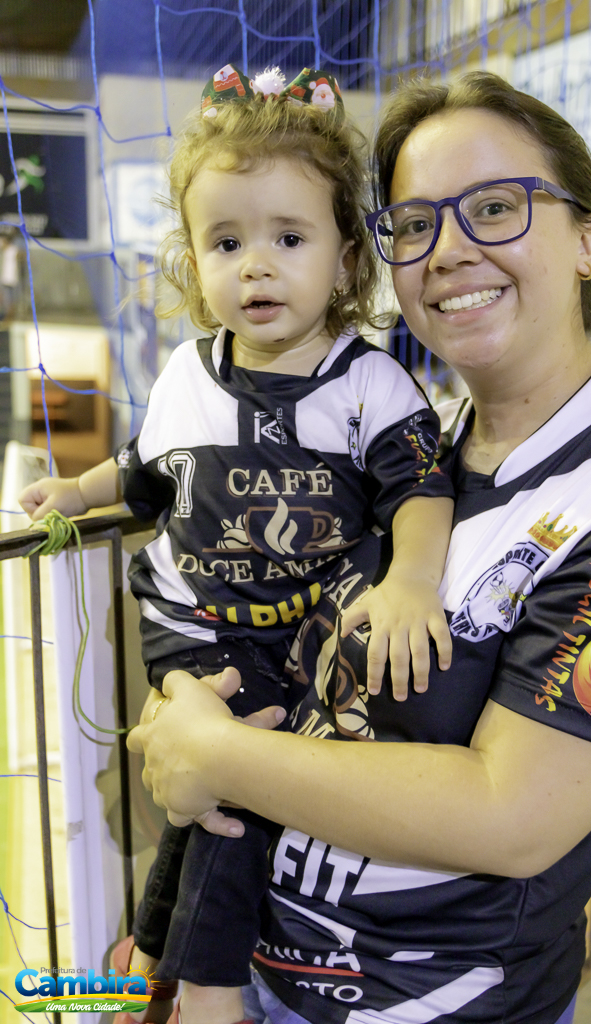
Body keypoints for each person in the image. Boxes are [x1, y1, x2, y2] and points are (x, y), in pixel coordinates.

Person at [127, 70, 591, 1024]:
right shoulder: (419, 442)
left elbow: (513, 816)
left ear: (588, 239)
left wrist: (213, 754)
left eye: (496, 207)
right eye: (417, 224)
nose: (450, 250)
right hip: (258, 960)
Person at [19, 65, 455, 1024]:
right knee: (235, 792)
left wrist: (414, 581)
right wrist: (75, 493)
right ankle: (212, 996)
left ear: (345, 259)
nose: (255, 265)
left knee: (209, 796)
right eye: (226, 242)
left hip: (299, 639)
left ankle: (149, 963)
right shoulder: (187, 374)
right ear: (193, 262)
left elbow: (422, 489)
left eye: (288, 238)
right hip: (193, 626)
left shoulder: (369, 386)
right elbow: (143, 473)